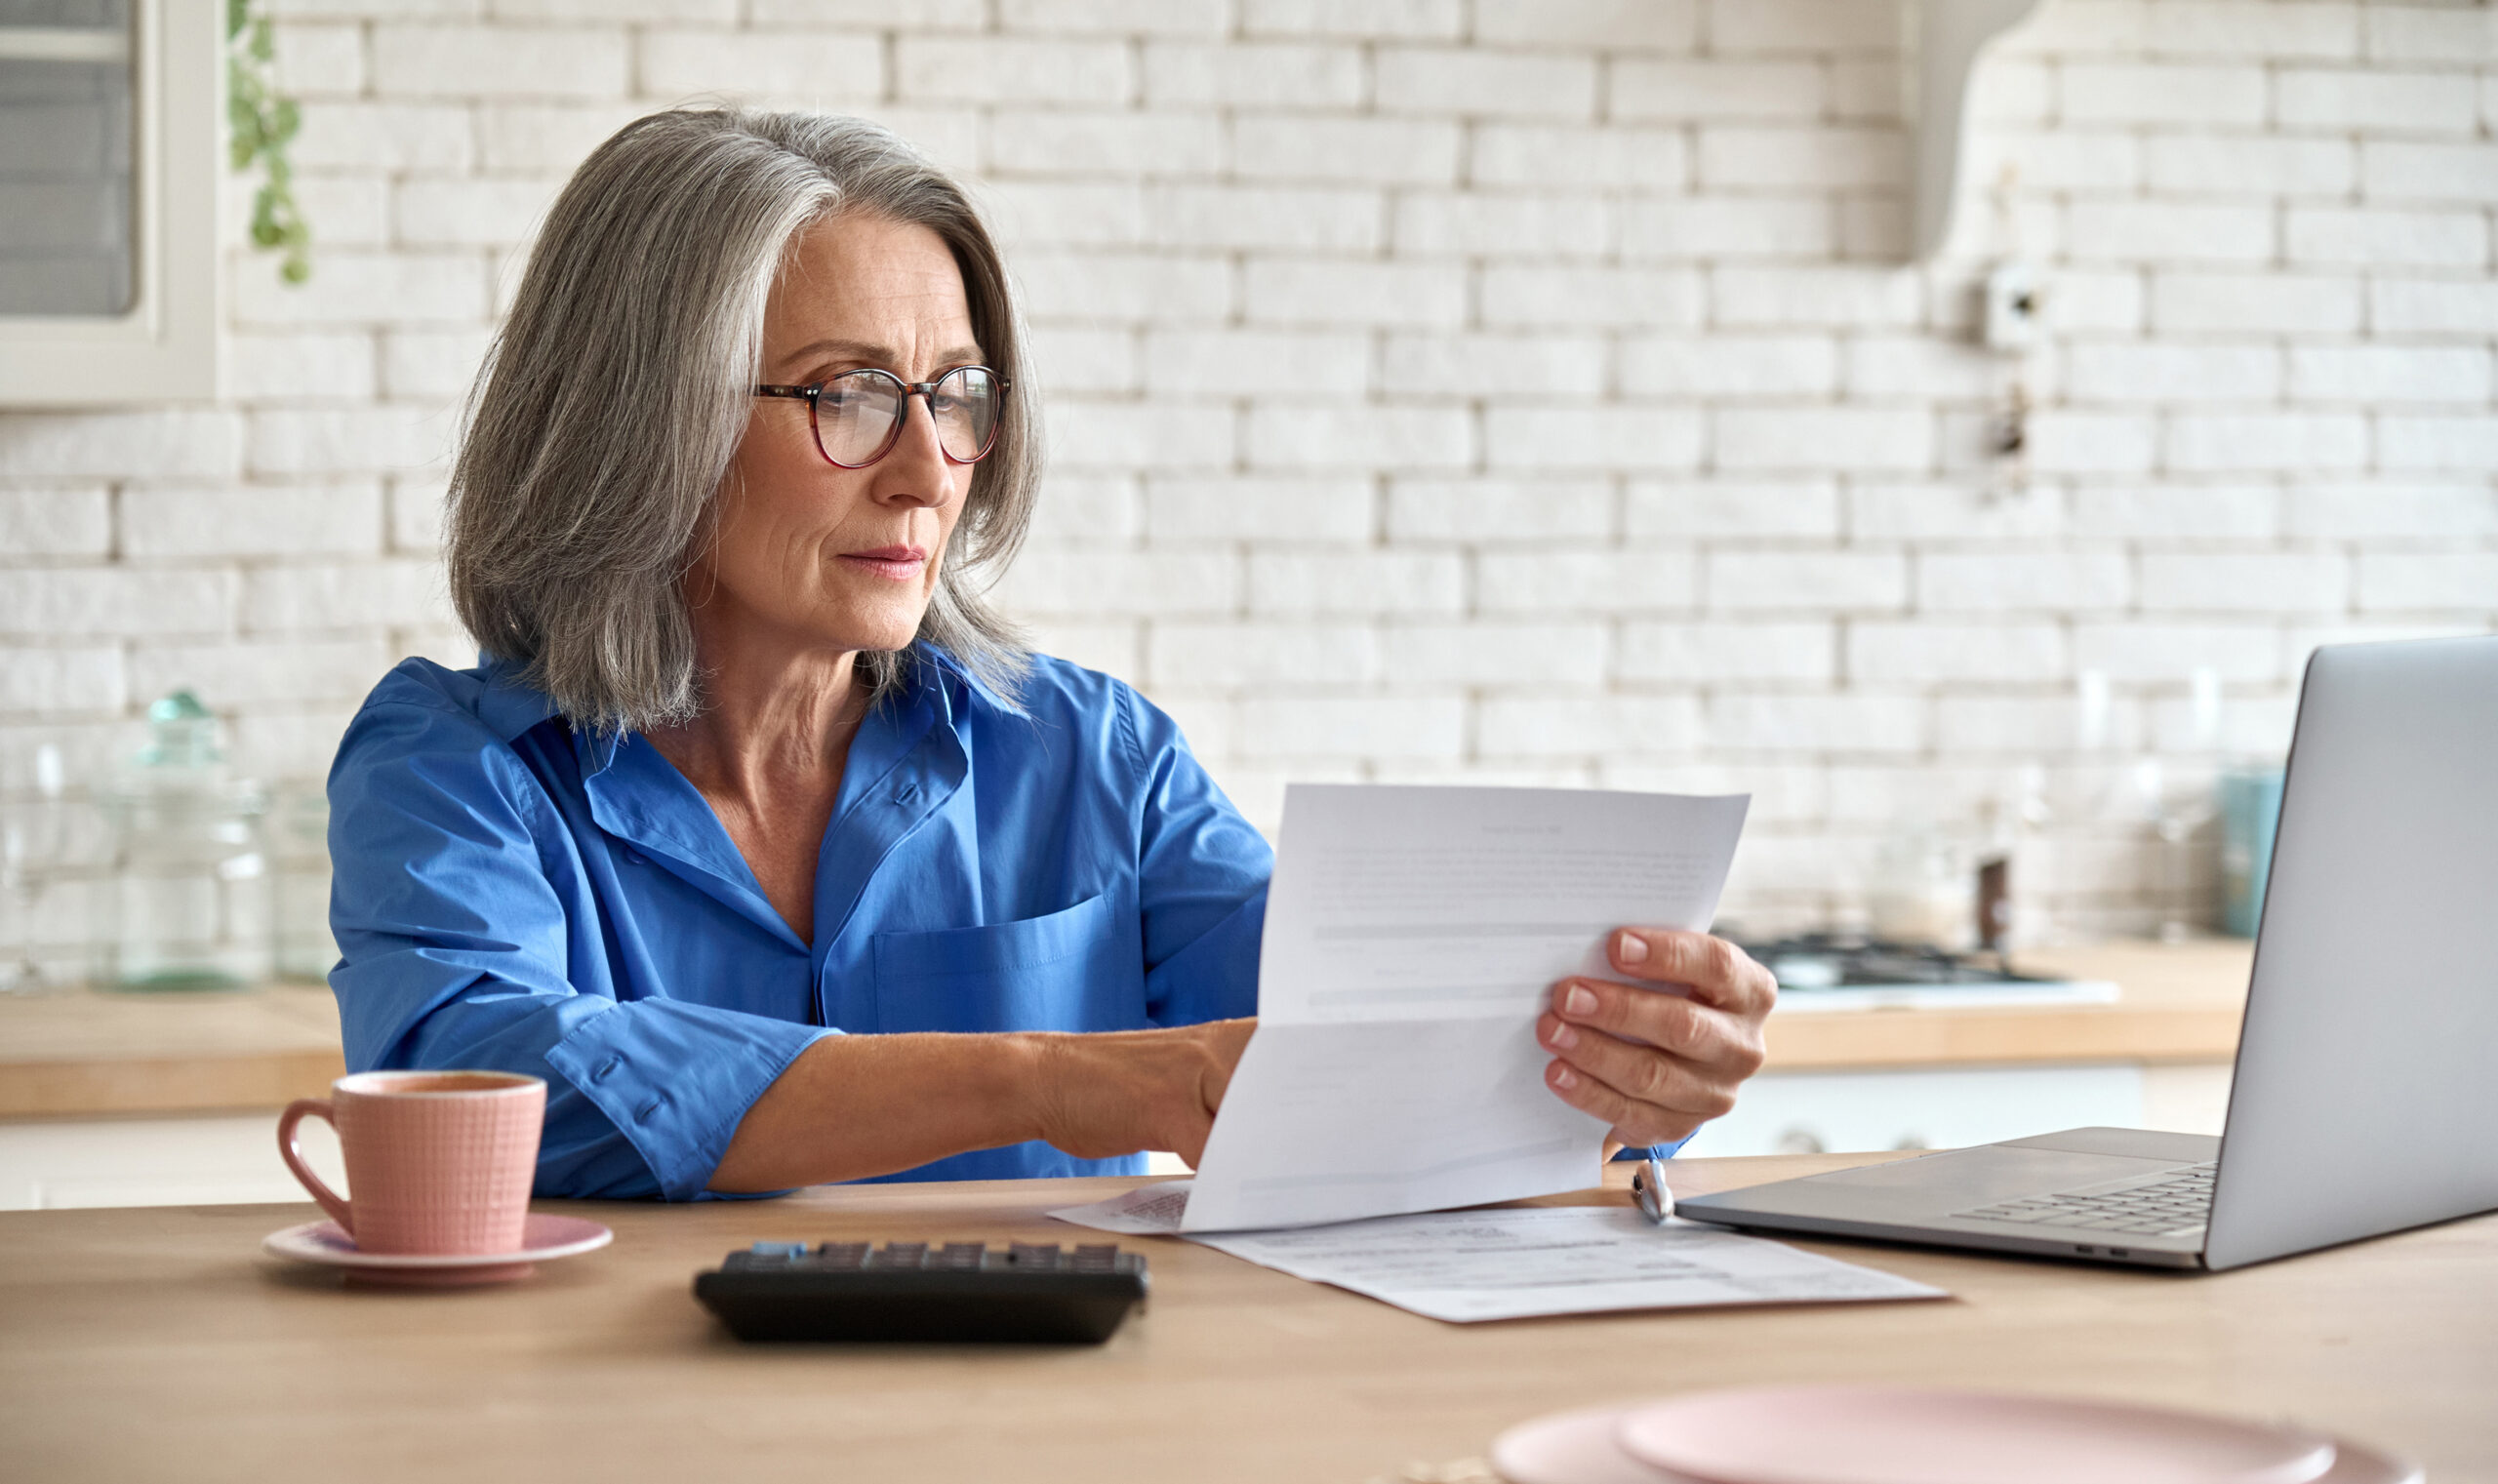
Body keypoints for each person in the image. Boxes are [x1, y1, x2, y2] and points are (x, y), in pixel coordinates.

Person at [325, 108, 1776, 1201]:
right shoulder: (456, 769)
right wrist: (1057, 1077)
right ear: (647, 422)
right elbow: (487, 1087)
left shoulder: (1099, 763)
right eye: (849, 395)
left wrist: (1637, 1064)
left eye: (956, 394)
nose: (926, 472)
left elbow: (1364, 1040)